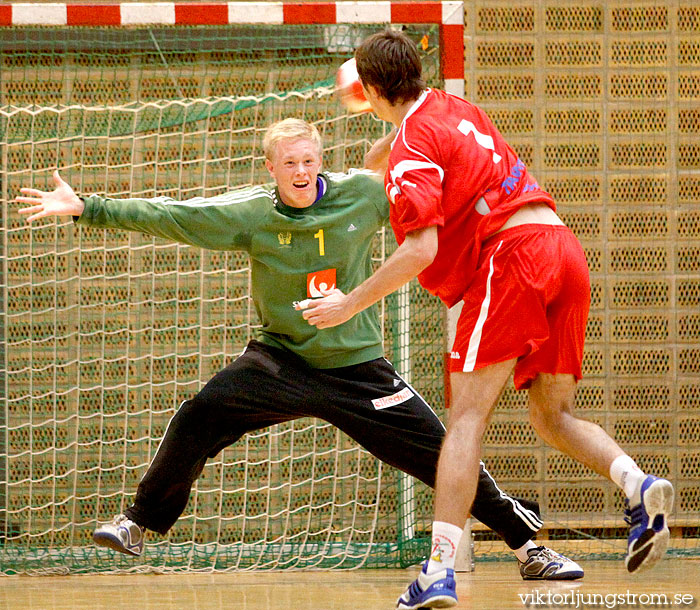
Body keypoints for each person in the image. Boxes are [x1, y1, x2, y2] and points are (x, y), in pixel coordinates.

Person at [15, 118, 583, 581]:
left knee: (439, 452)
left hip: (357, 367)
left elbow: (427, 199)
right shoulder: (254, 214)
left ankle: (528, 545)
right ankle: (138, 522)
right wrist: (86, 207)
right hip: (278, 360)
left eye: (309, 160)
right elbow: (175, 215)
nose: (302, 171)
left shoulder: (363, 193)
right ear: (271, 168)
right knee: (199, 415)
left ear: (322, 160)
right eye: (290, 162)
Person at [299, 32, 675, 609]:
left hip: (512, 258)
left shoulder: (411, 146)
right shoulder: (456, 108)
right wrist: (385, 145)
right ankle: (638, 484)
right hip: (560, 247)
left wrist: (348, 303)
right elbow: (417, 144)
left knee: (466, 421)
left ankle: (439, 572)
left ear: (371, 89)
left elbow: (420, 249)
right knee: (552, 416)